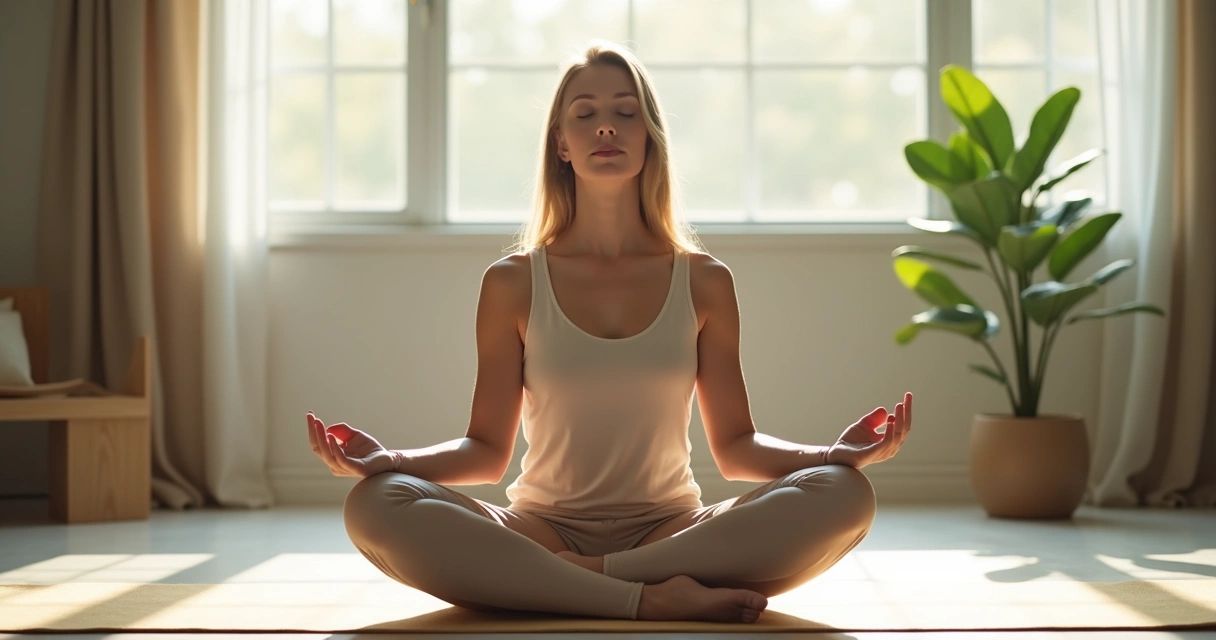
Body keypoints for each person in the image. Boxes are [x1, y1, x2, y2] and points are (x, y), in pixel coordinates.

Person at [306, 39, 912, 624]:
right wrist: (392, 460)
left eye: (626, 112)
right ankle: (646, 597)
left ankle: (587, 578)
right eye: (586, 114)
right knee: (375, 505)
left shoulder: (704, 281)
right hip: (541, 530)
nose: (606, 127)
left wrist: (831, 456)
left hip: (673, 531)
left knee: (847, 494)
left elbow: (735, 447)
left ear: (650, 139)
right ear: (561, 144)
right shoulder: (513, 282)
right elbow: (487, 452)